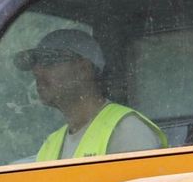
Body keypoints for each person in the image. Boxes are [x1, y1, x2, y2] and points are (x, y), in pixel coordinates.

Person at [15, 28, 167, 160]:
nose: (37, 71)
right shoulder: (50, 145)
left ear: (84, 69)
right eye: (35, 64)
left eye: (49, 62)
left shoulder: (127, 131)